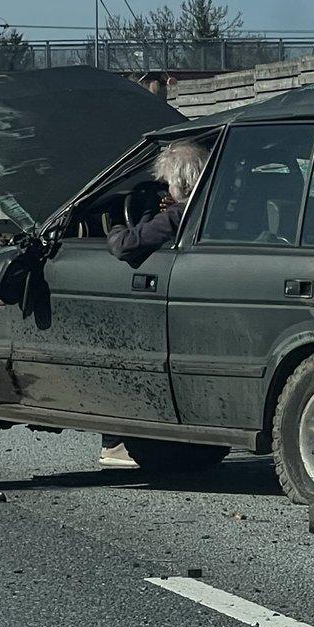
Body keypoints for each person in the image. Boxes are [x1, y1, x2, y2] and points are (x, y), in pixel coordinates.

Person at [100, 140, 207, 470]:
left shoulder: (176, 216)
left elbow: (126, 246)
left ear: (178, 183)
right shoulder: (211, 209)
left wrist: (117, 223)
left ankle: (114, 440)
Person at [106, 139, 205, 264]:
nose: (168, 189)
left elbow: (123, 247)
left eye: (168, 183)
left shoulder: (180, 213)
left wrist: (117, 224)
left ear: (181, 183)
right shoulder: (209, 205)